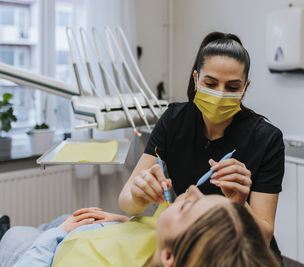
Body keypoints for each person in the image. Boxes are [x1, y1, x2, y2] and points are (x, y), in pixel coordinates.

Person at [119, 31, 285, 261]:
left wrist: (239, 203)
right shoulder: (174, 120)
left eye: (232, 87)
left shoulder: (267, 139)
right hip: (193, 248)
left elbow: (264, 237)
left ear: (245, 88)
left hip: (243, 254)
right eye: (211, 83)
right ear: (196, 80)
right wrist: (139, 195)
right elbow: (126, 201)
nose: (219, 94)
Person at [0, 186, 279, 267]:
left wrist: (58, 234)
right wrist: (122, 220)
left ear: (169, 256)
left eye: (186, 206)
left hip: (43, 249)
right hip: (89, 229)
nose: (193, 189)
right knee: (60, 218)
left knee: (16, 235)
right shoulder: (180, 252)